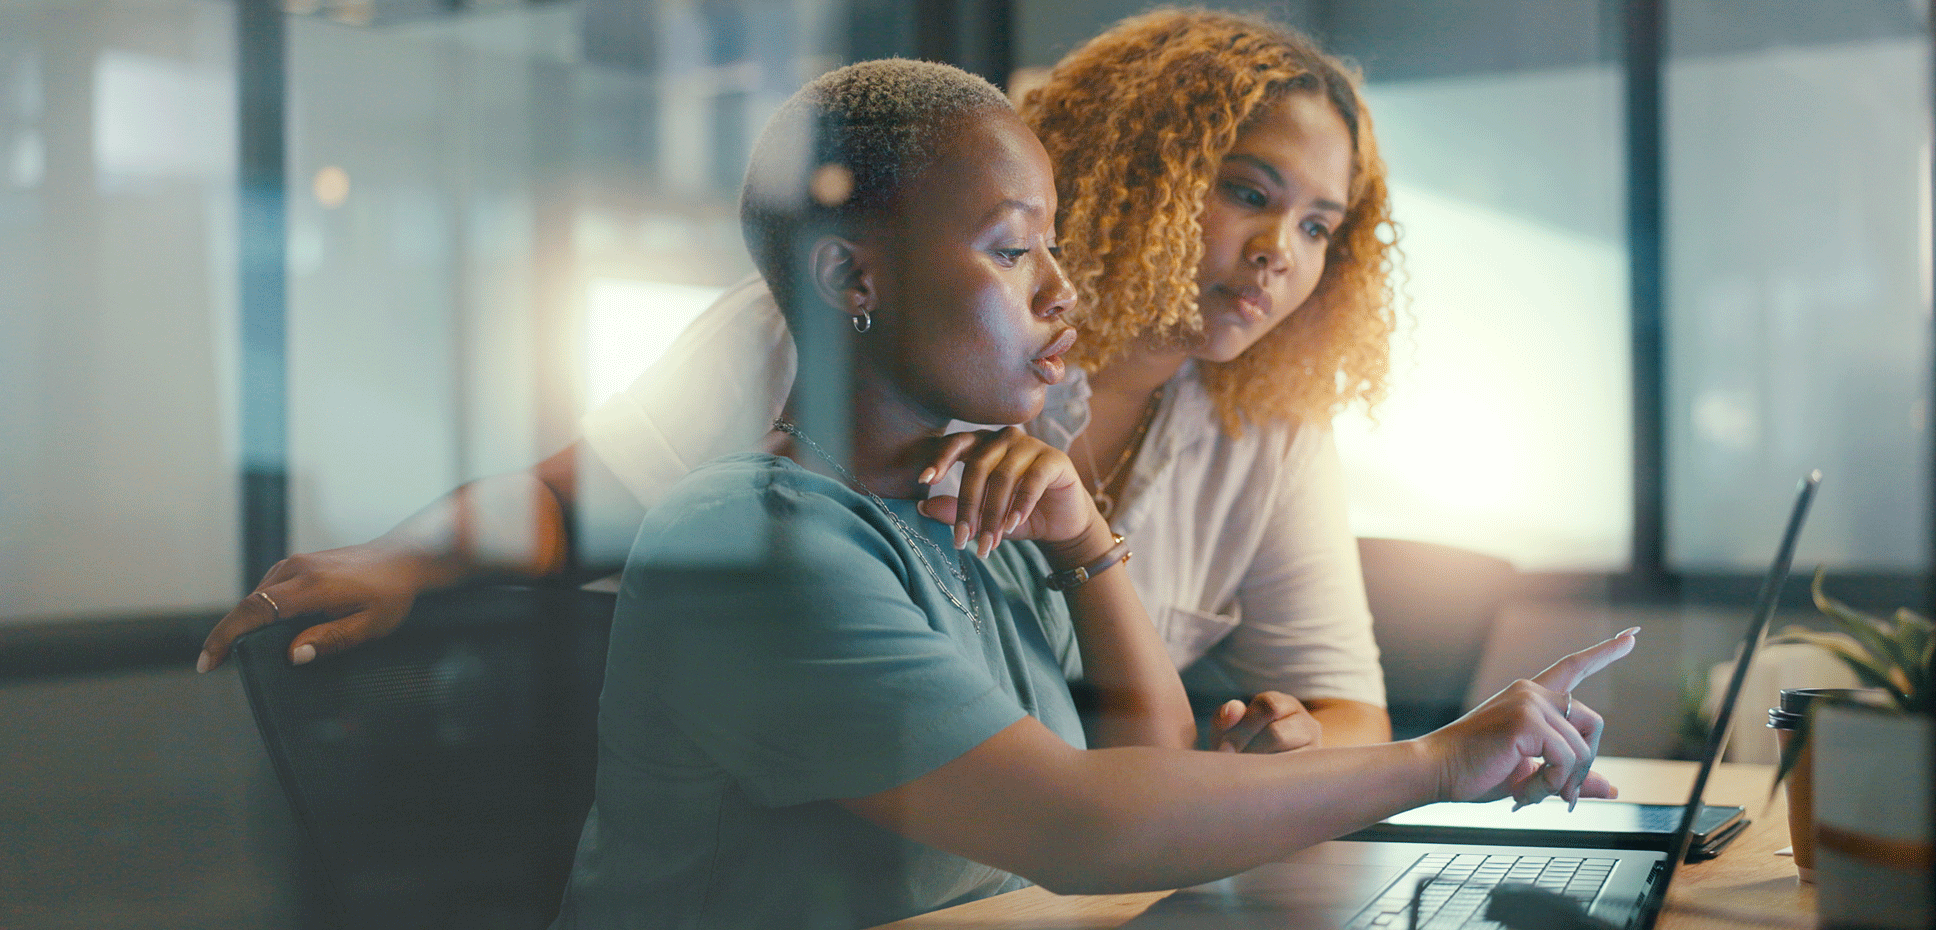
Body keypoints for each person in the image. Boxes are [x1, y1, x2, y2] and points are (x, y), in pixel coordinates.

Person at [550, 57, 1634, 930]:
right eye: (1015, 251)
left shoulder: (978, 508)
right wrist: (1436, 761)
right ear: (852, 282)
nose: (1063, 293)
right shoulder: (750, 543)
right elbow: (1076, 831)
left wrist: (1081, 539)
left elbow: (1145, 772)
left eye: (1052, 247)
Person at [201, 9, 1390, 753]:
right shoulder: (832, 335)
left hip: (1056, 845)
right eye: (1248, 192)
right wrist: (411, 555)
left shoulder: (1267, 426)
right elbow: (575, 499)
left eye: (1320, 225)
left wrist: (1288, 749)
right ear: (1138, 169)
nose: (1281, 253)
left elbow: (1345, 712)